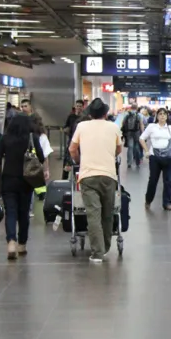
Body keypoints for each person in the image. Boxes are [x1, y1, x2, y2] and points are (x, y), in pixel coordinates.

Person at [69, 99, 123, 263]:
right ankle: (105, 248)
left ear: (90, 114)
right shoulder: (113, 127)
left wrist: (79, 160)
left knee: (93, 214)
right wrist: (109, 156)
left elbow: (72, 149)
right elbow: (119, 148)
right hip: (109, 175)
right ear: (105, 114)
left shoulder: (82, 126)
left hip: (88, 175)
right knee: (108, 213)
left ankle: (97, 253)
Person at [0, 115, 45, 260]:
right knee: (24, 213)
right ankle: (22, 245)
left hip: (8, 179)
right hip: (27, 181)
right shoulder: (32, 138)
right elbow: (41, 157)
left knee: (10, 212)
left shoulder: (5, 138)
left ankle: (11, 242)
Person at [139, 108, 171, 211]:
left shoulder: (170, 128)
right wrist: (146, 151)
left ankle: (167, 203)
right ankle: (148, 200)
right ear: (157, 116)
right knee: (153, 180)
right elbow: (142, 138)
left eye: (164, 114)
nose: (162, 116)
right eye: (160, 114)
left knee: (168, 181)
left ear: (167, 116)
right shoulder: (152, 127)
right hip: (155, 157)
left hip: (168, 158)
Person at [28, 115, 54, 218]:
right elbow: (45, 155)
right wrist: (46, 170)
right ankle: (32, 210)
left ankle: (27, 210)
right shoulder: (42, 136)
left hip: (25, 165)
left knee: (28, 188)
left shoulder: (24, 134)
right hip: (37, 165)